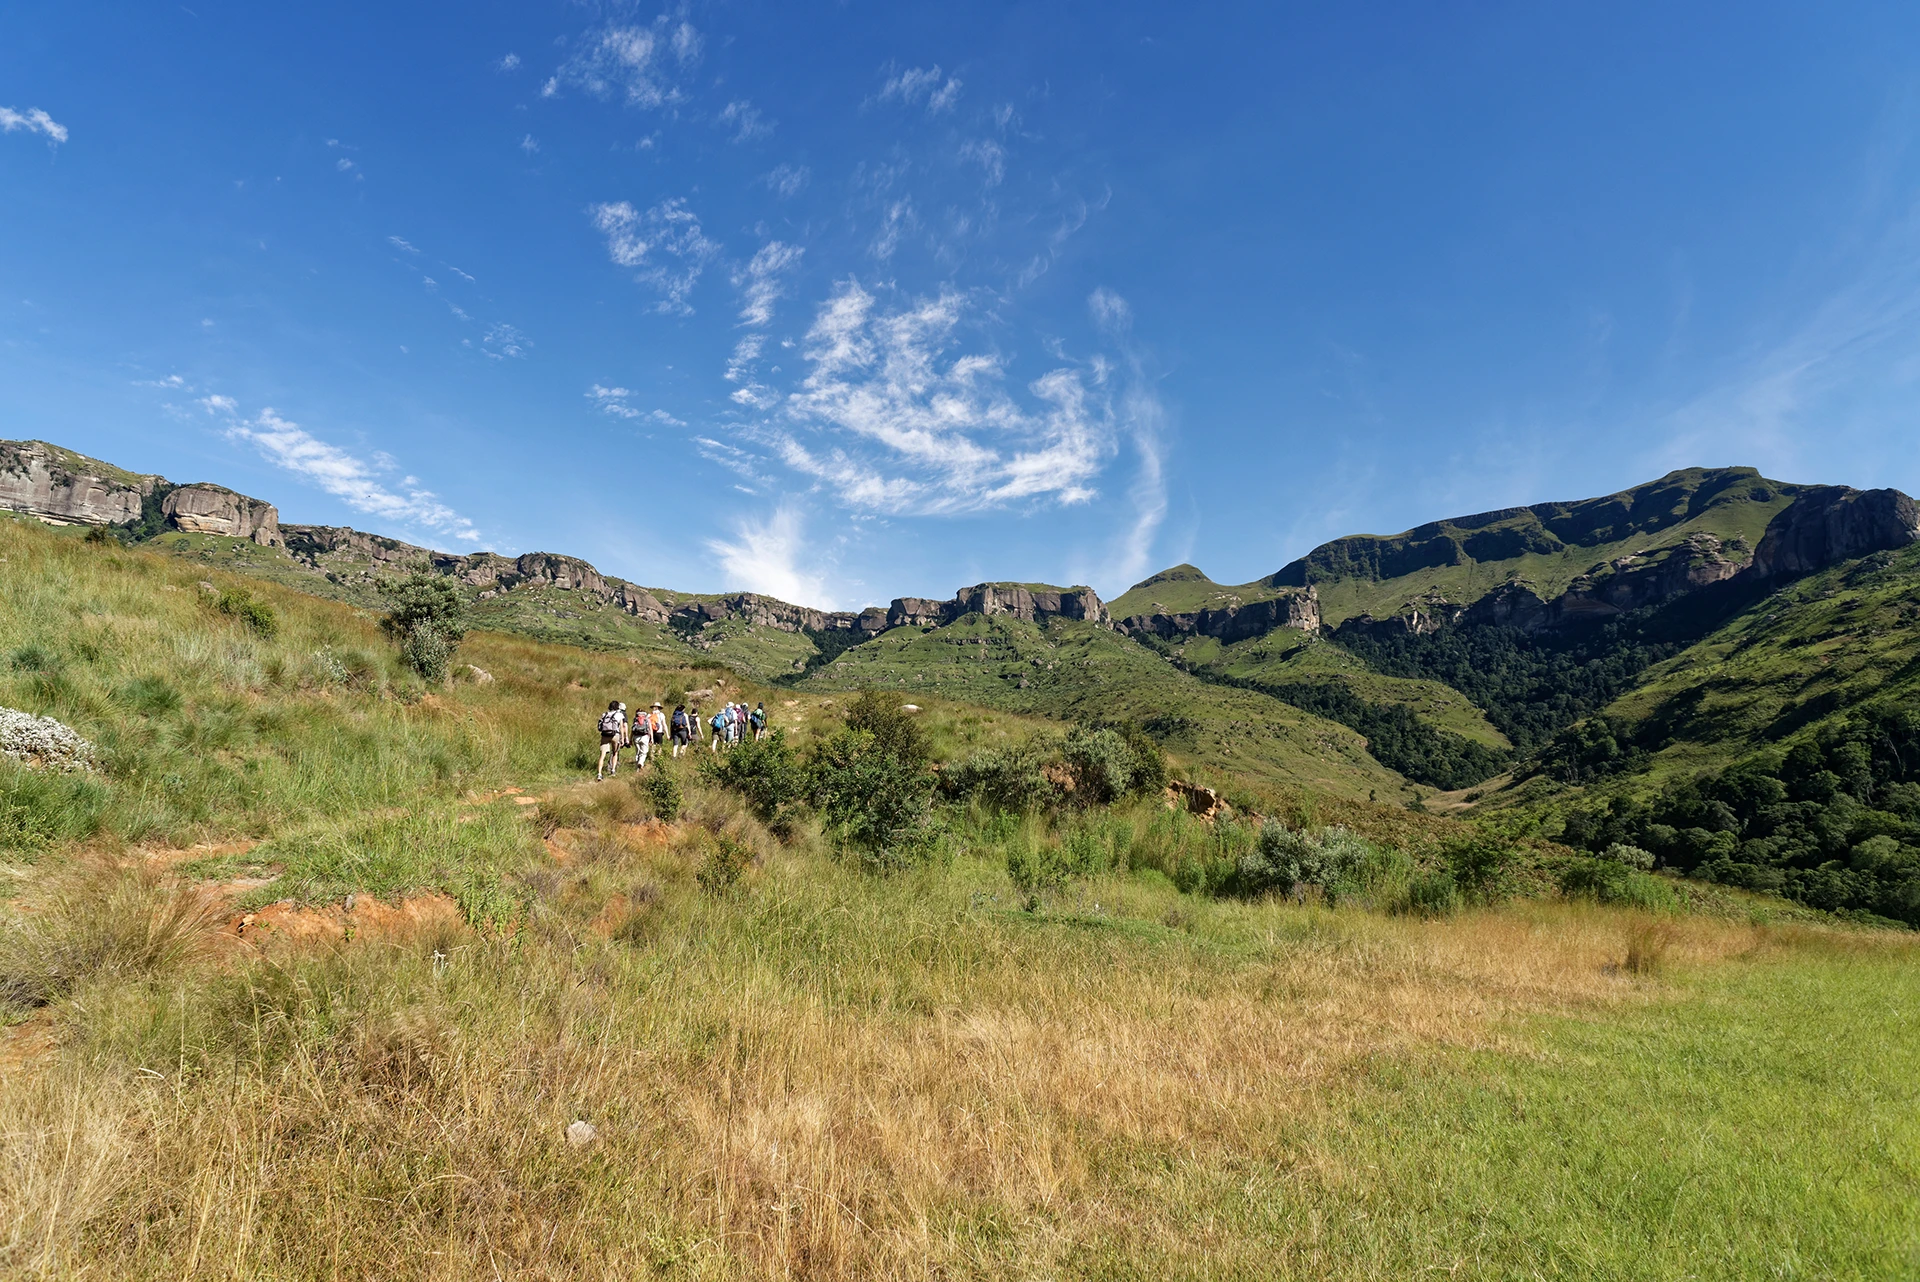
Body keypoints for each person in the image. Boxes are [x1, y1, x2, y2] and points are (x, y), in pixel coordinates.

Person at [595, 700, 625, 780]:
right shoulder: (619, 715)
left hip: (605, 735)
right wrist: (622, 738)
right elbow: (621, 727)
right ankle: (613, 770)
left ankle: (599, 774)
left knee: (602, 755)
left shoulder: (604, 714)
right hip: (615, 735)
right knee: (615, 752)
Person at [632, 702, 656, 770]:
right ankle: (641, 763)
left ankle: (637, 768)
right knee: (644, 752)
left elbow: (632, 730)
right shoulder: (647, 719)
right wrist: (652, 738)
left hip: (636, 737)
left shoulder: (635, 719)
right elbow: (650, 729)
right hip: (645, 737)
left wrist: (630, 739)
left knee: (637, 752)